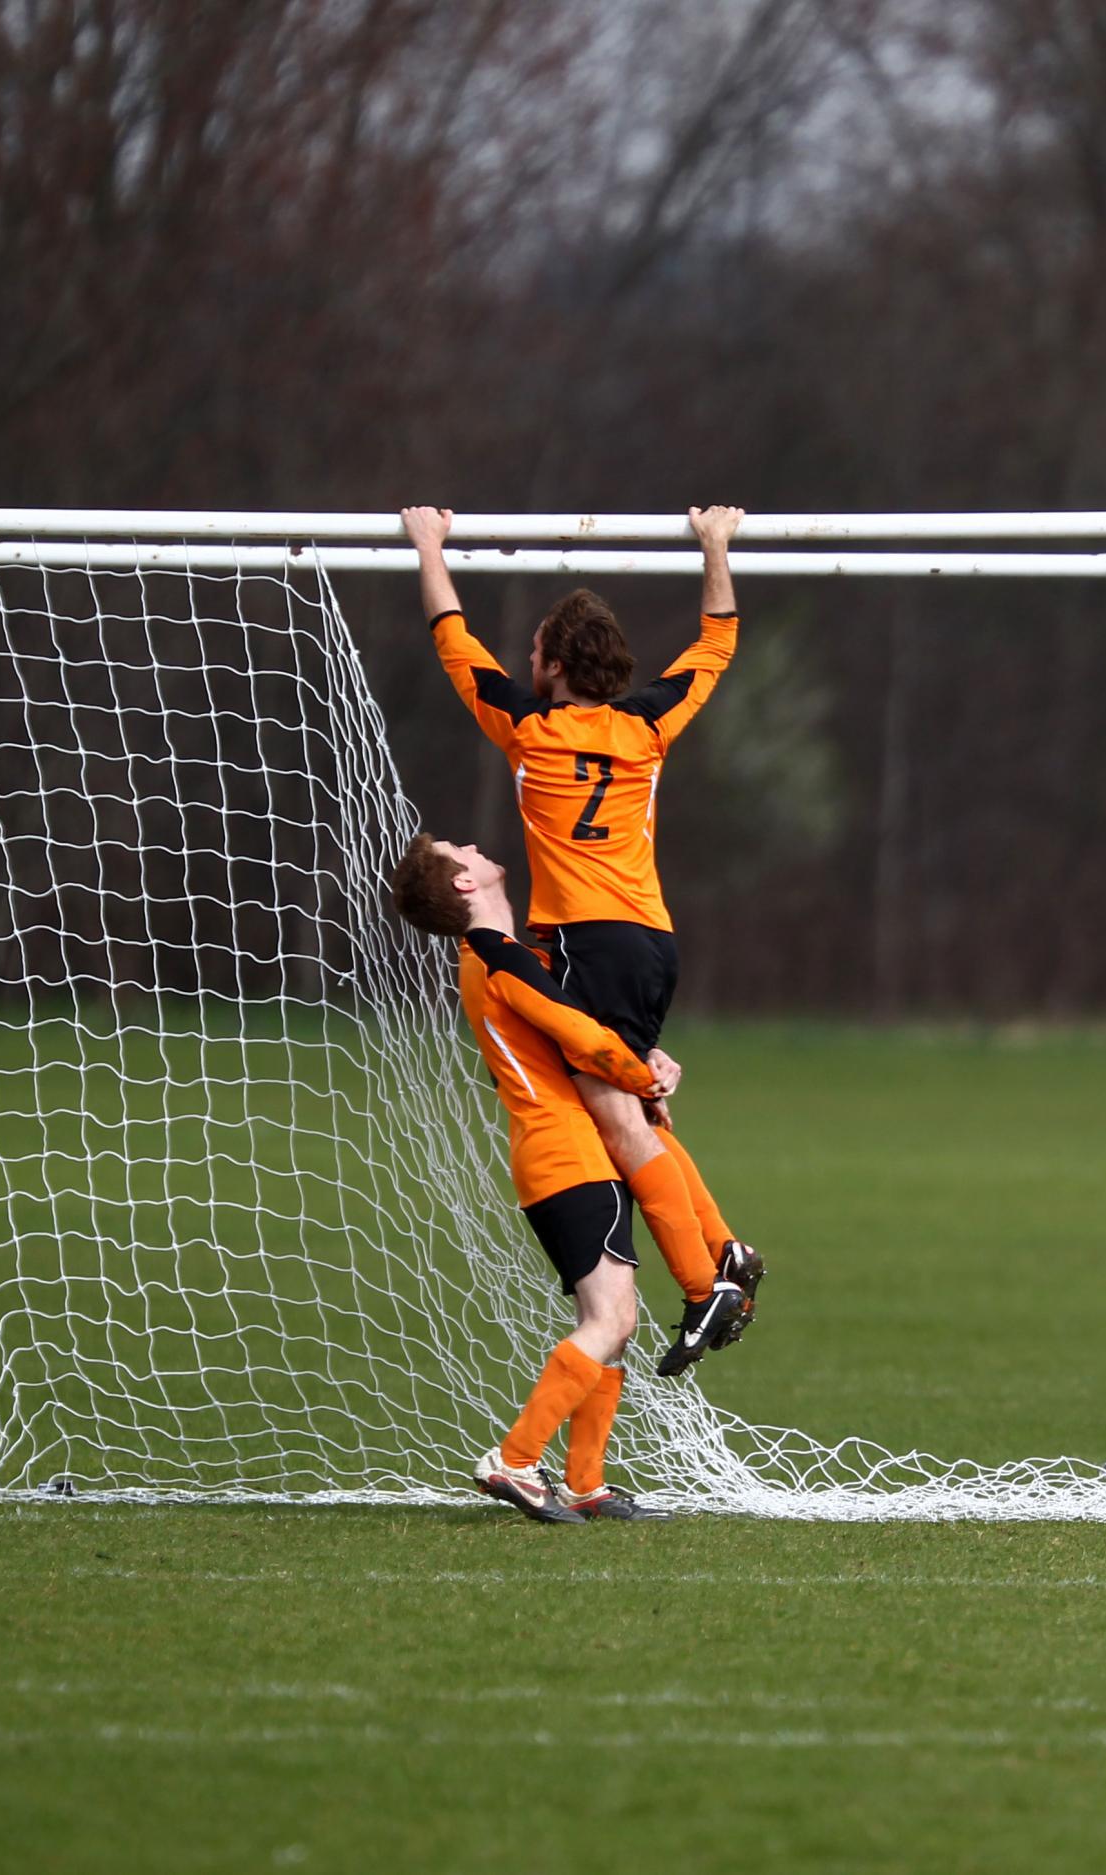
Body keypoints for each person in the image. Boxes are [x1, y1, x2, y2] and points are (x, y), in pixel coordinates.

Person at [401, 502, 761, 1376]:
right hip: (652, 941)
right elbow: (716, 641)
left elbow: (456, 644)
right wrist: (716, 546)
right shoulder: (647, 728)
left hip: (591, 945)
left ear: (555, 668)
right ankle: (728, 1254)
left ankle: (705, 1277)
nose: (526, 664)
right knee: (636, 1112)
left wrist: (430, 548)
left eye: (534, 654)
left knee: (617, 1120)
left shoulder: (528, 731)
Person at [391, 831, 678, 1522]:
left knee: (610, 1318)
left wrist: (647, 1061)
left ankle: (587, 1483)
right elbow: (582, 1040)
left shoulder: (507, 956)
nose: (470, 844)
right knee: (611, 1316)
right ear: (465, 884)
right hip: (567, 1151)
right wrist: (644, 1080)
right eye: (457, 850)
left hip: (563, 1150)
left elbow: (580, 1030)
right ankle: (514, 1460)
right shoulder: (500, 959)